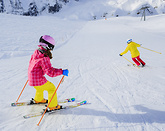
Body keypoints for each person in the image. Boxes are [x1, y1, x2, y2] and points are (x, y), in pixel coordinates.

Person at [28, 35, 69, 110]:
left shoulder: (36, 52)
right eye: (51, 48)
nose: (51, 50)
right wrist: (62, 71)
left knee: (39, 88)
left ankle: (38, 99)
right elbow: (50, 72)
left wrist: (31, 74)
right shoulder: (44, 58)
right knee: (51, 88)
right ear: (48, 47)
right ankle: (53, 106)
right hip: (37, 79)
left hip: (31, 78)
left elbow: (31, 63)